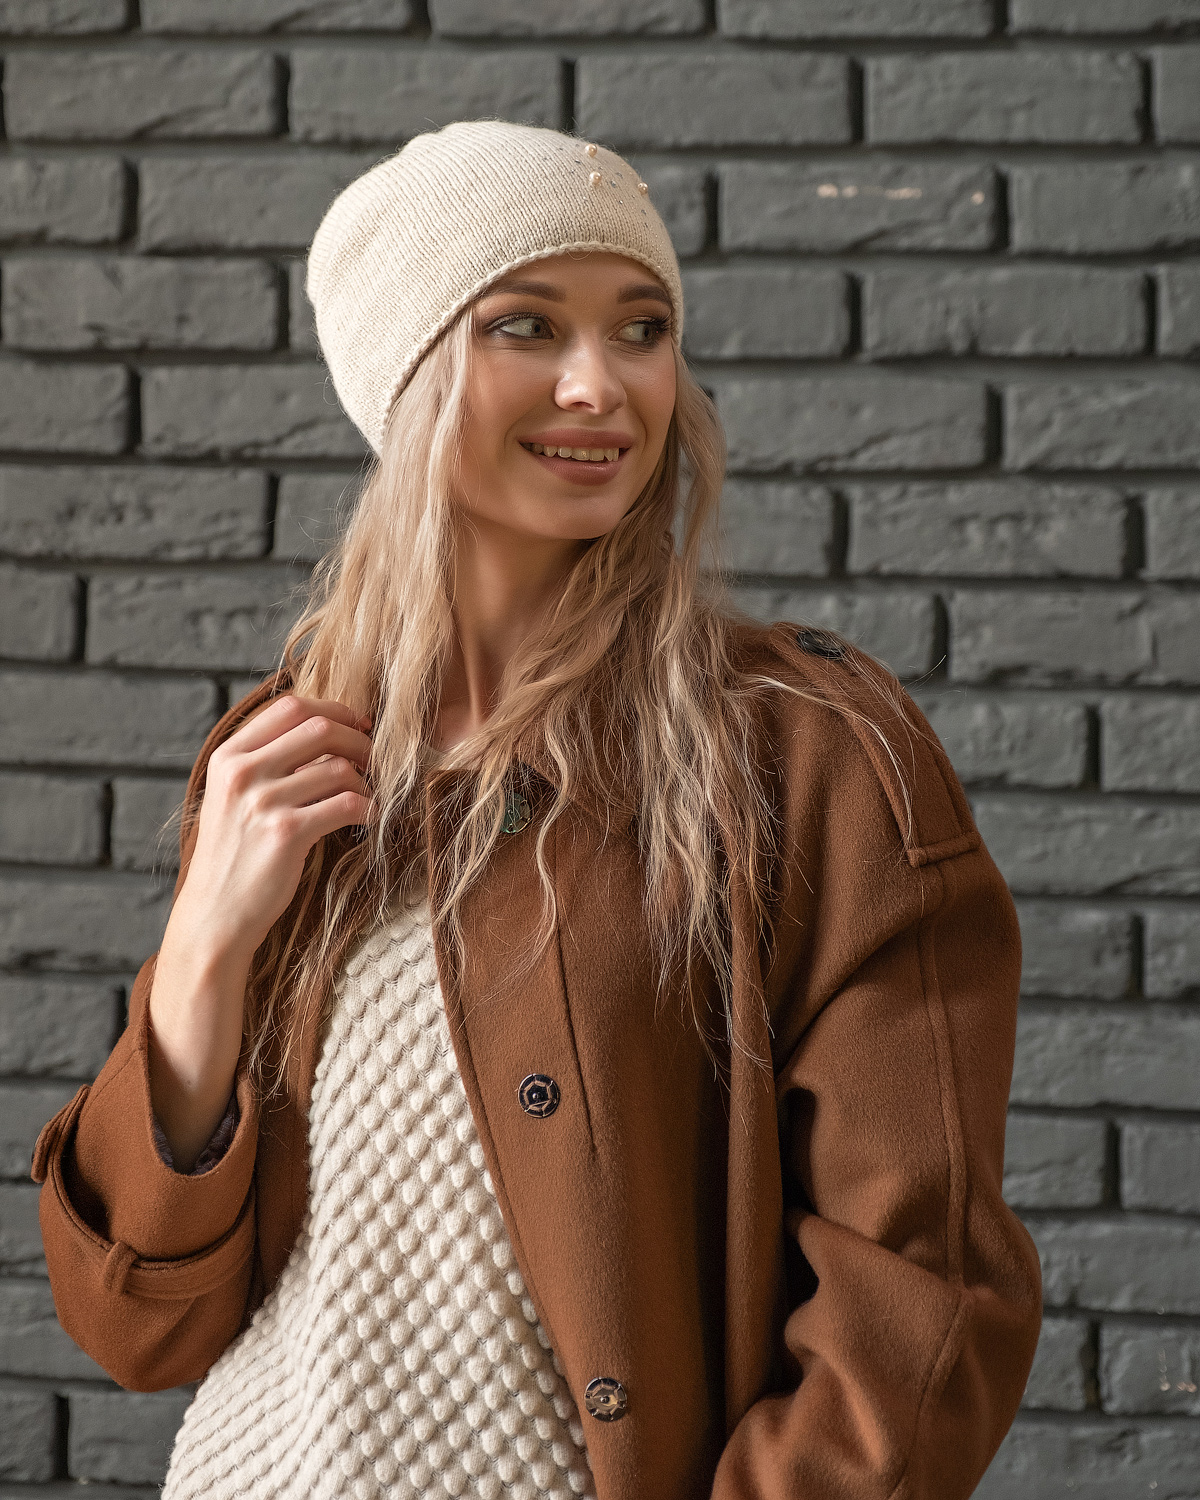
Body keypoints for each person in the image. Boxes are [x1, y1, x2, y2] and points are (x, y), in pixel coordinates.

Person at [33, 120, 1041, 1500]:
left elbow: (925, 1296)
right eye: (526, 324)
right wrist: (204, 949)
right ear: (407, 376)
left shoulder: (807, 752)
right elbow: (137, 1326)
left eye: (641, 329)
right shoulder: (289, 759)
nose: (599, 384)